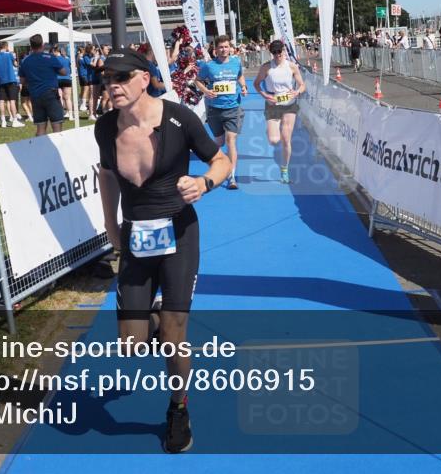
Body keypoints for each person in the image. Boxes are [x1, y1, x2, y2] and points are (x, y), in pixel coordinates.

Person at [94, 49, 231, 454]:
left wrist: (204, 183)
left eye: (121, 77)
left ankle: (178, 408)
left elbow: (221, 161)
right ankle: (157, 315)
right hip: (136, 237)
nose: (112, 85)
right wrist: (110, 224)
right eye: (107, 79)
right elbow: (107, 176)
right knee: (131, 345)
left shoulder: (179, 118)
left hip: (179, 234)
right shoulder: (105, 127)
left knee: (173, 338)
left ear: (144, 78)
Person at [195, 35, 248, 190]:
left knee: (231, 140)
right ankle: (216, 165)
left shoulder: (236, 62)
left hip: (233, 108)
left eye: (226, 47)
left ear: (230, 48)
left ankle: (231, 176)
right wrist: (206, 91)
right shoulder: (209, 66)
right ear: (216, 49)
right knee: (219, 142)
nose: (224, 50)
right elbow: (197, 80)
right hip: (214, 109)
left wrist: (243, 87)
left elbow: (240, 76)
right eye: (221, 47)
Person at [253, 40, 307, 184]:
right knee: (274, 140)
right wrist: (264, 95)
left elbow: (302, 85)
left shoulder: (292, 66)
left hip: (289, 105)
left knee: (286, 139)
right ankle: (270, 129)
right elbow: (256, 84)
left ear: (284, 51)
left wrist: (297, 92)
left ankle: (284, 169)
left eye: (279, 51)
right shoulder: (266, 67)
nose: (277, 55)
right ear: (271, 53)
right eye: (274, 52)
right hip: (273, 105)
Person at [18, 34, 67, 136]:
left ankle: (40, 146)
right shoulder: (50, 57)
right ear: (42, 45)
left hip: (35, 95)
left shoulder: (25, 61)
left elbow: (22, 81)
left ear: (31, 46)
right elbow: (64, 72)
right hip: (50, 94)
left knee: (40, 127)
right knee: (56, 126)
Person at [0, 41, 24, 128]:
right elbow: (15, 65)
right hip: (11, 80)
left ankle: (3, 121)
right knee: (12, 100)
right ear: (6, 47)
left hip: (0, 81)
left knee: (1, 101)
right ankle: (15, 121)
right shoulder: (9, 55)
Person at [54, 45, 74, 115]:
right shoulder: (67, 59)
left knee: (60, 98)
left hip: (58, 79)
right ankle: (70, 114)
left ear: (56, 51)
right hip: (67, 79)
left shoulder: (55, 59)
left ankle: (61, 113)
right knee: (68, 98)